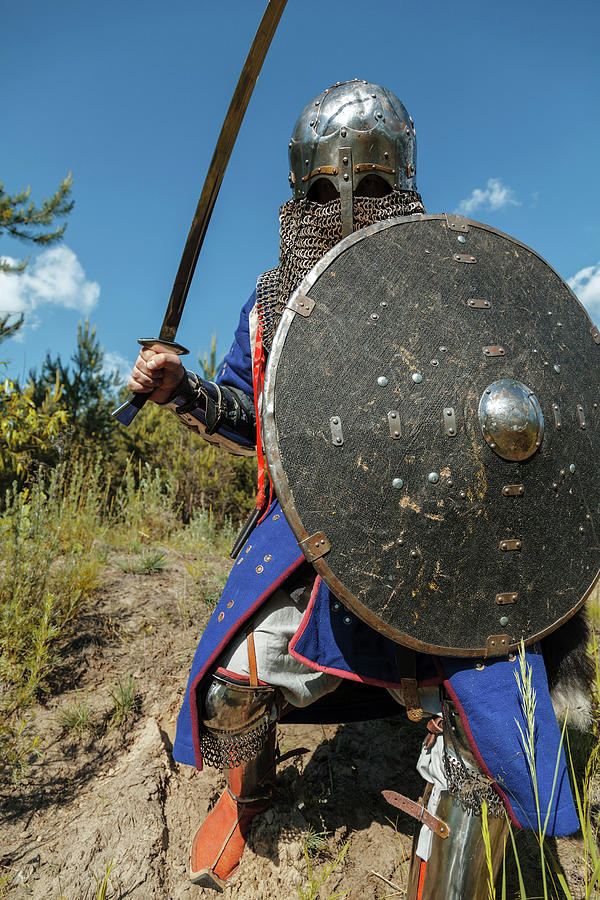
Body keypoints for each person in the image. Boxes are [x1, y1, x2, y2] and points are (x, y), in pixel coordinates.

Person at [128, 80, 589, 898]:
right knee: (234, 676)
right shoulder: (273, 305)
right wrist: (187, 392)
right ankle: (249, 787)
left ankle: (462, 859)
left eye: (371, 185)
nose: (345, 204)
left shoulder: (452, 279)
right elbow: (255, 416)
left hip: (454, 537)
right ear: (298, 196)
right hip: (321, 540)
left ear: (403, 187)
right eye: (323, 187)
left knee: (494, 729)